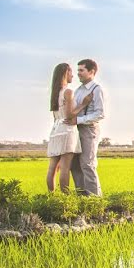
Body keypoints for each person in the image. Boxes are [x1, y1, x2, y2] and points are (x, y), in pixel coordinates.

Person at [47, 63, 93, 193]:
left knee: (52, 168)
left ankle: (51, 197)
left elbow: (57, 116)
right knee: (65, 167)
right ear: (65, 73)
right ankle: (65, 199)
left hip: (55, 129)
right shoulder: (68, 92)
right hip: (67, 130)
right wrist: (84, 104)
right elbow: (69, 115)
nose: (73, 75)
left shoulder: (55, 93)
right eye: (71, 72)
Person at [64, 59, 106, 196]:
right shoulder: (78, 90)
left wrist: (79, 120)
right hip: (75, 130)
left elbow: (100, 114)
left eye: (81, 70)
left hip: (89, 129)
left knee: (87, 164)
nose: (78, 74)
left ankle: (95, 200)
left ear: (91, 72)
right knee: (75, 165)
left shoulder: (97, 89)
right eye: (78, 71)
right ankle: (82, 198)